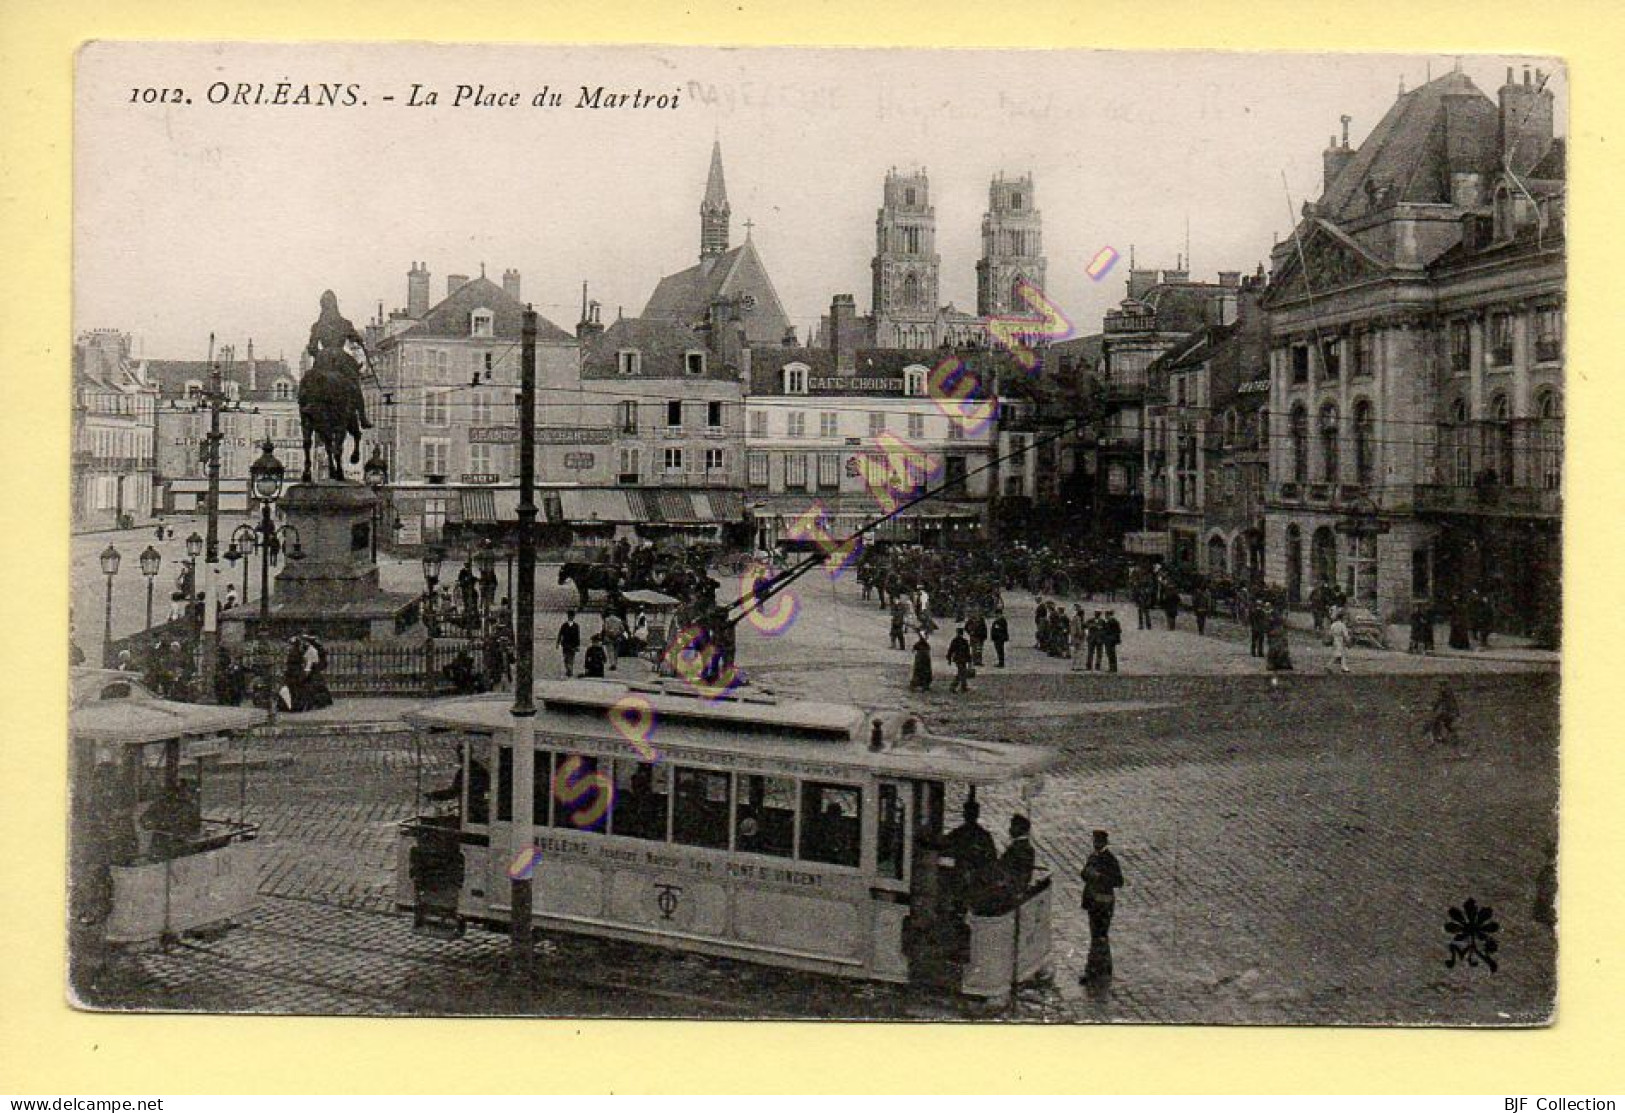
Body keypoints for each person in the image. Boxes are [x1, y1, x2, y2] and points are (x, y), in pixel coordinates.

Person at [1080, 829, 1125, 985]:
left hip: (1103, 903)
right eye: (1094, 841)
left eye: (1098, 841)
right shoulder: (1093, 856)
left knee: (1100, 936)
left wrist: (1099, 877)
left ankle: (1097, 969)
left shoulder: (1109, 860)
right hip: (1094, 902)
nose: (1095, 844)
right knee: (1096, 936)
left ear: (1104, 843)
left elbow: (1119, 881)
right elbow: (1083, 874)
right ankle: (1099, 968)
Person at [940, 799, 998, 913]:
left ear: (964, 814)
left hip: (966, 876)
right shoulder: (983, 836)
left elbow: (944, 848)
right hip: (973, 877)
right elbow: (992, 858)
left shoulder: (959, 833)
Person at [1429, 680, 1461, 746]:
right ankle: (1453, 737)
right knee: (1447, 725)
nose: (1440, 687)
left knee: (1436, 722)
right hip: (1452, 712)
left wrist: (1434, 709)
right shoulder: (1449, 692)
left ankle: (1438, 738)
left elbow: (1439, 701)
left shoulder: (1445, 692)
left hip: (1449, 712)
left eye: (1441, 685)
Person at [947, 627, 972, 693]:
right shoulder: (964, 641)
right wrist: (969, 661)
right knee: (962, 673)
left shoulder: (955, 641)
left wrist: (949, 659)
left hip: (958, 659)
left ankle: (962, 687)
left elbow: (950, 650)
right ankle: (955, 687)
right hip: (962, 659)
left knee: (962, 672)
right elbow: (967, 652)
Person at [557, 610, 581, 677]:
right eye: (570, 616)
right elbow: (560, 634)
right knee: (566, 658)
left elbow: (577, 636)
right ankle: (568, 669)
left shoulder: (576, 626)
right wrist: (558, 642)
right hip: (565, 644)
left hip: (573, 644)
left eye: (572, 616)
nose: (571, 617)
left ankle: (570, 670)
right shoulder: (564, 625)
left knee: (571, 658)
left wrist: (578, 645)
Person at [1069, 605, 1089, 671]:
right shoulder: (1078, 619)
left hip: (1075, 638)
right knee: (1079, 652)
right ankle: (1078, 666)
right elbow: (1079, 630)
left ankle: (1074, 666)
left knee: (1075, 652)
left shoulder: (1074, 618)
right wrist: (1082, 635)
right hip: (1078, 638)